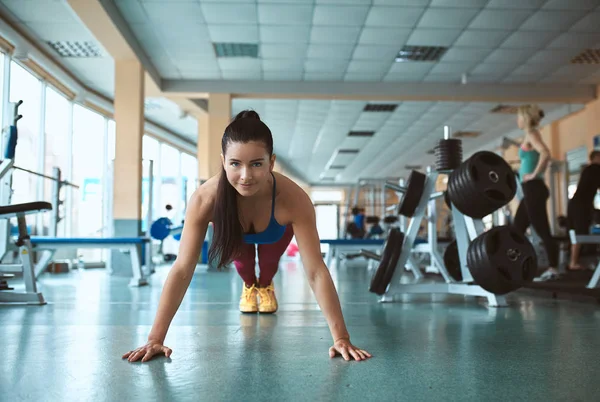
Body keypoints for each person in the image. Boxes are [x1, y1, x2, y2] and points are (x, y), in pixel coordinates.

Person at [123, 110, 371, 363]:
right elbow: (182, 268)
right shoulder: (205, 199)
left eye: (256, 164)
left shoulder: (294, 199)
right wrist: (155, 338)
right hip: (235, 232)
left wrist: (341, 337)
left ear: (271, 162)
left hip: (276, 232)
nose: (245, 176)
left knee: (268, 267)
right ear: (223, 161)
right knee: (245, 270)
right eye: (235, 164)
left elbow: (316, 270)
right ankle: (251, 287)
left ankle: (265, 286)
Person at [511, 104, 559, 281]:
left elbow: (546, 153)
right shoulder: (528, 135)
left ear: (525, 118)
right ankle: (513, 265)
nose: (517, 120)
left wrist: (533, 174)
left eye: (518, 117)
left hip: (534, 188)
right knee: (517, 229)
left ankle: (553, 268)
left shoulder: (532, 134)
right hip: (530, 189)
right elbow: (533, 158)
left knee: (542, 230)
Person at [567, 150, 600, 270]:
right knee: (579, 234)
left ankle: (573, 261)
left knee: (576, 233)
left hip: (574, 204)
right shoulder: (596, 169)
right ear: (596, 157)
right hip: (581, 205)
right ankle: (573, 263)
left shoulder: (587, 169)